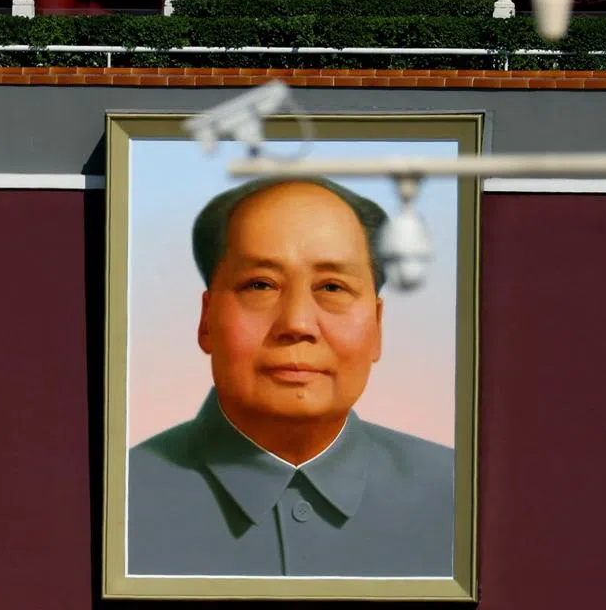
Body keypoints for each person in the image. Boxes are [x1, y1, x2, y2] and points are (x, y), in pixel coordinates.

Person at [126, 177, 454, 577]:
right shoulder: (120, 498)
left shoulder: (458, 495)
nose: (297, 323)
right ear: (206, 320)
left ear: (378, 327)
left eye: (332, 287)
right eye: (261, 285)